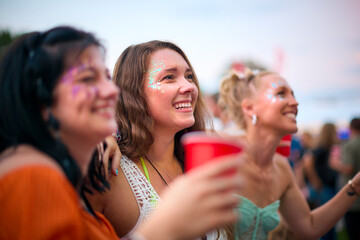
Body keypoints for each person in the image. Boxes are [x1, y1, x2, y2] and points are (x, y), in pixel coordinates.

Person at [0, 26, 241, 240]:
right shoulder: (31, 177)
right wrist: (158, 232)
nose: (111, 91)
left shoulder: (66, 175)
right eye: (87, 78)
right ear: (40, 101)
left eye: (106, 78)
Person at [86, 40, 233, 240]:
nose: (188, 86)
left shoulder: (203, 162)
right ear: (134, 92)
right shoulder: (111, 170)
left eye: (189, 76)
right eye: (169, 77)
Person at [218, 69, 360, 240]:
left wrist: (355, 186)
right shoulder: (222, 150)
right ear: (249, 108)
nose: (295, 102)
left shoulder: (281, 167)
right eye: (281, 93)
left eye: (293, 94)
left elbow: (309, 226)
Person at [330, 117, 360, 240]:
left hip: (353, 197)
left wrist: (334, 163)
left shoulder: (349, 145)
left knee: (353, 232)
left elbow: (348, 168)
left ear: (351, 128)